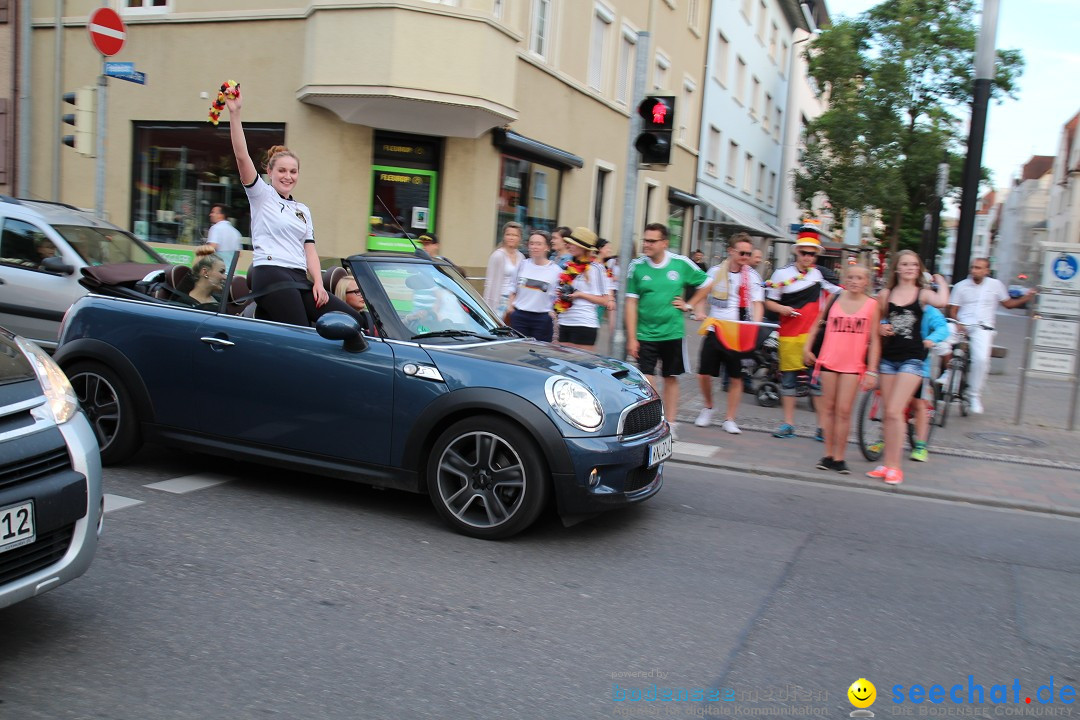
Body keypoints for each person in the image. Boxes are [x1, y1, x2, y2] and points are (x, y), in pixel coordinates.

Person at [224, 86, 364, 328]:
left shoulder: (303, 210)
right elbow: (241, 156)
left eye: (293, 171)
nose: (288, 176)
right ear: (269, 172)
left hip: (299, 277)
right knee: (300, 329)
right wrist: (235, 114)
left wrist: (318, 283)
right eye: (281, 171)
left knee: (354, 321)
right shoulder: (262, 195)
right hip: (270, 272)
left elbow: (310, 250)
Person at [866, 249, 949, 485]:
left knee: (894, 411)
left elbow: (942, 301)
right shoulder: (885, 294)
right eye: (905, 264)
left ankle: (896, 467)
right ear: (897, 268)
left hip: (912, 360)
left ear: (919, 269)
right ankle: (887, 464)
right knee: (889, 415)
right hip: (888, 359)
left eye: (914, 264)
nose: (910, 268)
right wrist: (882, 326)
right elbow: (879, 321)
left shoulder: (922, 294)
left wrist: (941, 281)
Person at [625, 223, 710, 439]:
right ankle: (657, 418)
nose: (647, 244)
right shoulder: (637, 267)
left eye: (652, 241)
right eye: (645, 240)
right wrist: (632, 337)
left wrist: (689, 304)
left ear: (664, 243)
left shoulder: (680, 263)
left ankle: (671, 423)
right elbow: (631, 304)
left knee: (671, 377)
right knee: (646, 379)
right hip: (645, 334)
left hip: (672, 333)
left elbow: (708, 282)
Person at [763, 223, 841, 439]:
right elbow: (769, 302)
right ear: (797, 251)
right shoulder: (781, 274)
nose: (808, 257)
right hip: (788, 334)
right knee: (788, 381)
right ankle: (788, 424)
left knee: (815, 383)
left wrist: (824, 313)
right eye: (804, 252)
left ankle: (822, 428)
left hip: (812, 337)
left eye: (812, 254)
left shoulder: (819, 275)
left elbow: (840, 293)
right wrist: (784, 309)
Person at [802, 264, 880, 474]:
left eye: (859, 278)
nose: (855, 281)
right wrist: (807, 347)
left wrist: (872, 369)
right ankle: (827, 454)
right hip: (828, 360)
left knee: (844, 411)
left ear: (866, 282)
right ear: (845, 279)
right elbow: (817, 324)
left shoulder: (873, 305)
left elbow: (874, 340)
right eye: (851, 277)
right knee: (828, 409)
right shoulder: (834, 299)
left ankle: (840, 457)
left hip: (853, 365)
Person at [689, 233, 764, 435]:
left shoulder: (753, 277)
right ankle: (708, 406)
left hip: (739, 331)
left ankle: (730, 418)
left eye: (748, 253)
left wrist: (755, 327)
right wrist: (699, 312)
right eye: (742, 253)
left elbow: (757, 304)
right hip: (716, 327)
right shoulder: (715, 272)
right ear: (731, 251)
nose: (745, 257)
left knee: (735, 377)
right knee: (703, 373)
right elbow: (702, 294)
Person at [946, 257, 1037, 414]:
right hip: (963, 324)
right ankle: (948, 373)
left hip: (983, 327)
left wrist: (1027, 298)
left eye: (979, 268)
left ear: (987, 271)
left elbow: (1007, 304)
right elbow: (952, 309)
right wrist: (957, 322)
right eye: (973, 267)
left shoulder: (995, 285)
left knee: (981, 359)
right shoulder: (961, 286)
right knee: (944, 336)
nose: (975, 270)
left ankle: (973, 394)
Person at [553, 227, 611, 350]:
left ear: (583, 247)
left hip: (584, 323)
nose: (569, 245)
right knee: (564, 365)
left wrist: (580, 295)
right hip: (565, 321)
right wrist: (561, 293)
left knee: (582, 366)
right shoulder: (569, 266)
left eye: (573, 243)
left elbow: (605, 300)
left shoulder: (596, 268)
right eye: (569, 243)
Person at [506, 229, 560, 341]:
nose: (534, 247)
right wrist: (510, 307)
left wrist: (553, 312)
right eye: (532, 243)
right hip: (519, 316)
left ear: (547, 247)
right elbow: (513, 287)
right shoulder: (522, 265)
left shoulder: (555, 271)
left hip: (542, 319)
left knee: (539, 352)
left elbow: (559, 295)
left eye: (539, 244)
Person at [483, 221, 523, 319]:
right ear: (504, 236)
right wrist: (486, 306)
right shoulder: (497, 255)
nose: (511, 237)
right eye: (508, 234)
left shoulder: (521, 257)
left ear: (519, 238)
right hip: (499, 299)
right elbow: (490, 282)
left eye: (515, 235)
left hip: (515, 301)